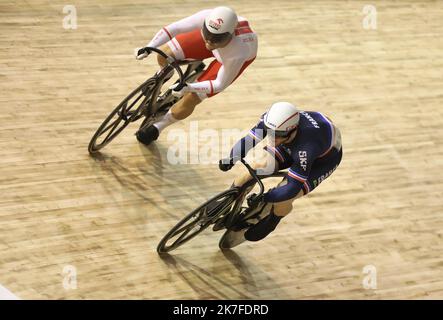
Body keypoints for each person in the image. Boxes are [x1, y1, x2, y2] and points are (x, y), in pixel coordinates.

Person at [219, 102, 343, 242]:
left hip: (321, 162)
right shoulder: (272, 121)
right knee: (257, 166)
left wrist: (265, 197)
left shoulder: (307, 148)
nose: (272, 138)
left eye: (278, 135)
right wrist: (231, 158)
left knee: (285, 196)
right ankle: (227, 200)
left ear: (292, 129)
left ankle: (273, 220)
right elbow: (249, 140)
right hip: (291, 144)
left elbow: (291, 187)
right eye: (269, 133)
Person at [134, 6, 258, 145]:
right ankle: (164, 75)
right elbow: (173, 29)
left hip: (227, 59)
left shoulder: (238, 52)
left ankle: (159, 126)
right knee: (164, 53)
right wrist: (148, 47)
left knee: (192, 97)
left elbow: (219, 84)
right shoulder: (208, 18)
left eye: (216, 39)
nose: (210, 42)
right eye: (208, 34)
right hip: (222, 46)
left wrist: (189, 87)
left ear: (230, 35)